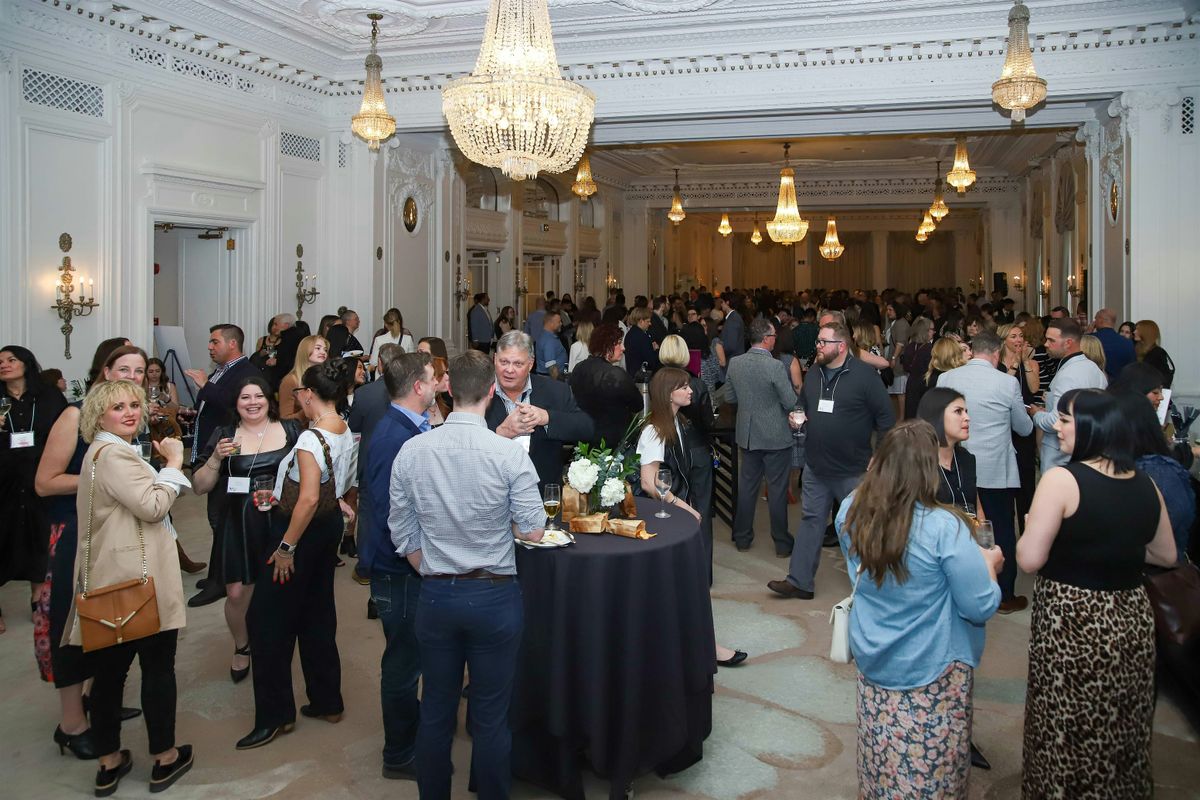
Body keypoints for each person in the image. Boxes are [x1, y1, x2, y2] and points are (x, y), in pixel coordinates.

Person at [388, 349, 546, 800]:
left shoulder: (413, 451)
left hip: (437, 596)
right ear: (492, 391)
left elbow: (402, 531)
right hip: (495, 596)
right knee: (492, 717)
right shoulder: (508, 455)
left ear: (448, 390)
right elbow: (534, 529)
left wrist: (433, 570)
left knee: (436, 711)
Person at [1017, 389, 1176, 798]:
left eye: (1065, 420)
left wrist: (1034, 526)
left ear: (1093, 427)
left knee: (1065, 720)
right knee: (1121, 718)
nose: (1057, 427)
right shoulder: (1146, 484)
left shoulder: (1061, 480)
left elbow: (1030, 559)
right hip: (1131, 617)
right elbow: (1166, 554)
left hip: (1073, 620)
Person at [837, 420, 1001, 798]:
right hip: (932, 668)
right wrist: (990, 567)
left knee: (881, 758)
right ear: (928, 471)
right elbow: (979, 606)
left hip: (874, 656)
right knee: (931, 772)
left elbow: (860, 570)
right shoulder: (945, 528)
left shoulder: (851, 510)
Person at [63, 379, 194, 795]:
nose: (130, 413)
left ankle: (109, 763)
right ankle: (165, 758)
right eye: (118, 407)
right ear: (98, 416)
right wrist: (175, 462)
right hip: (138, 582)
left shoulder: (101, 453)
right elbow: (153, 507)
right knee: (155, 670)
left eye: (134, 405)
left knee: (108, 676)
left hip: (110, 581)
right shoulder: (113, 455)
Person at [237, 360, 357, 749]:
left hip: (298, 533)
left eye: (301, 393)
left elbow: (306, 499)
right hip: (326, 528)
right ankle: (327, 700)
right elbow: (336, 483)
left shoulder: (309, 440)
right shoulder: (343, 428)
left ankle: (275, 716)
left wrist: (286, 547)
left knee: (265, 623)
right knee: (316, 614)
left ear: (309, 395)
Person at [770, 321, 895, 599]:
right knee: (811, 520)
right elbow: (803, 402)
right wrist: (797, 414)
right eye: (818, 341)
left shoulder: (865, 376)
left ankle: (874, 591)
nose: (818, 346)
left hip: (853, 470)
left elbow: (886, 419)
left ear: (841, 346)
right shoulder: (815, 372)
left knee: (859, 528)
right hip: (816, 466)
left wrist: (880, 455)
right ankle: (800, 582)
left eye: (823, 342)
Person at [191, 376, 301, 685]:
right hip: (239, 522)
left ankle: (276, 643)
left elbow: (307, 474)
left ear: (269, 399)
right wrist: (216, 457)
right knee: (238, 592)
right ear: (236, 404)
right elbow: (199, 486)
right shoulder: (225, 435)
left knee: (282, 591)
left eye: (259, 396)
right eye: (245, 397)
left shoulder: (291, 430)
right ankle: (242, 645)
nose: (253, 403)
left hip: (281, 520)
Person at [637, 367, 746, 666]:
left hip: (672, 514)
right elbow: (648, 483)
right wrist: (686, 508)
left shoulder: (677, 422)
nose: (690, 391)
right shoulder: (654, 430)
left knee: (684, 587)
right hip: (664, 518)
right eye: (683, 387)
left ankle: (701, 647)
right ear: (668, 393)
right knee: (684, 587)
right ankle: (705, 648)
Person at [366, 352, 436, 780]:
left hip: (404, 565)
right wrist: (418, 560)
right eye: (432, 378)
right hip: (398, 569)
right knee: (403, 662)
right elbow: (391, 512)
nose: (438, 384)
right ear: (418, 387)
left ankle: (413, 734)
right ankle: (399, 754)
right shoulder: (396, 438)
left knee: (411, 656)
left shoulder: (409, 426)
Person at [937, 331, 1034, 613]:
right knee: (1000, 528)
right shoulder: (1006, 382)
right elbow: (1023, 428)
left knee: (956, 526)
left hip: (955, 465)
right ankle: (1003, 594)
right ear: (996, 353)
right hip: (995, 468)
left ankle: (958, 586)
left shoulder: (947, 378)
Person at [184, 324, 264, 607]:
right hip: (214, 453)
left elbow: (238, 406)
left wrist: (205, 386)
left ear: (232, 344)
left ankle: (222, 580)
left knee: (222, 519)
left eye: (214, 341)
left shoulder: (247, 372)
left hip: (231, 456)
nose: (209, 347)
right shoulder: (222, 370)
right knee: (216, 517)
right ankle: (217, 574)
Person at [0, 345, 68, 635]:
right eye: (0, 361)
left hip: (39, 477)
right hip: (4, 479)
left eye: (11, 359)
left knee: (40, 536)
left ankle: (38, 598)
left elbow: (65, 431)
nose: (4, 364)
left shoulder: (48, 395)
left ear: (26, 364)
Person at [486, 331, 594, 490]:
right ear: (494, 359)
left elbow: (586, 428)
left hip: (543, 492)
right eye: (504, 362)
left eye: (518, 364)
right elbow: (465, 445)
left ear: (530, 364)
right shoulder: (478, 392)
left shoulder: (556, 391)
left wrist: (547, 417)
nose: (509, 370)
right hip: (493, 491)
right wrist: (499, 434)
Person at [724, 319, 797, 556]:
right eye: (774, 336)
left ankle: (742, 538)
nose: (776, 340)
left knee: (747, 488)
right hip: (775, 435)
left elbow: (729, 397)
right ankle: (782, 543)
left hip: (747, 435)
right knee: (777, 490)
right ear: (766, 339)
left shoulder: (735, 363)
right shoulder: (775, 366)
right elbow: (790, 401)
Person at [1030, 318, 1107, 470]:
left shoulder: (1069, 374)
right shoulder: (1094, 369)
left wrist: (1036, 415)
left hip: (1062, 457)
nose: (1046, 344)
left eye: (1051, 340)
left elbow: (1057, 420)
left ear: (1068, 343)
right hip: (1089, 451)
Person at [568, 323, 643, 451]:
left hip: (584, 439)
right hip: (613, 443)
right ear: (606, 346)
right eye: (619, 343)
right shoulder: (616, 375)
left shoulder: (578, 368)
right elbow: (638, 405)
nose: (623, 348)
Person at [997, 324, 1039, 536]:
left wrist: (1025, 363)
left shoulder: (1031, 362)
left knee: (1026, 479)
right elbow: (1003, 388)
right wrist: (1013, 365)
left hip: (1024, 424)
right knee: (1005, 481)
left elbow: (1033, 388)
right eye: (1013, 336)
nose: (1018, 340)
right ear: (1003, 339)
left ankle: (1027, 531)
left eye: (1021, 336)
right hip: (1003, 425)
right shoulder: (995, 365)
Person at [278, 335, 328, 421]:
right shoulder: (291, 380)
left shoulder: (323, 378)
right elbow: (285, 419)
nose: (323, 352)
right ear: (305, 351)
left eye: (325, 350)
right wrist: (309, 409)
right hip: (301, 429)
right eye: (318, 348)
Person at [900, 317, 935, 419]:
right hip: (925, 384)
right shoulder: (930, 349)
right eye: (932, 329)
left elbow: (906, 367)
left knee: (911, 414)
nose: (934, 332)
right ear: (925, 331)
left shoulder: (910, 346)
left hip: (911, 383)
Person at [1090, 307, 1135, 379]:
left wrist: (1086, 333)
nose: (1094, 322)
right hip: (1121, 383)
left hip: (1097, 382)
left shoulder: (1091, 340)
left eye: (1095, 319)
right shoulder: (1128, 343)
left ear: (1100, 320)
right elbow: (1132, 367)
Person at [368, 309, 415, 374]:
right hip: (401, 375)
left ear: (385, 324)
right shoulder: (408, 339)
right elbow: (412, 362)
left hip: (383, 376)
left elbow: (373, 363)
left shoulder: (379, 339)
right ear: (399, 322)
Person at [1134, 319, 1175, 389]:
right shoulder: (1135, 349)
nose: (1134, 332)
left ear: (1146, 332)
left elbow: (1164, 377)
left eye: (1137, 330)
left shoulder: (1158, 353)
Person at [623, 307, 659, 377]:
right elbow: (652, 361)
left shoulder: (630, 333)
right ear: (641, 321)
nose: (650, 324)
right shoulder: (642, 337)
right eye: (648, 321)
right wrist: (656, 350)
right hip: (641, 376)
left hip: (631, 373)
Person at [535, 310, 568, 379]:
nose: (561, 324)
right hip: (550, 379)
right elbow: (551, 366)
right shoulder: (549, 340)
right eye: (559, 322)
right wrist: (559, 382)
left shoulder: (546, 336)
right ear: (551, 323)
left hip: (549, 377)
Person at [718, 293, 746, 359]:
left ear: (727, 302)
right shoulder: (733, 317)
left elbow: (730, 346)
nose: (721, 304)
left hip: (732, 359)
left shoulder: (733, 319)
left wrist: (719, 352)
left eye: (722, 302)